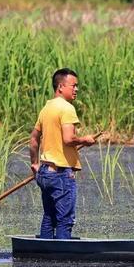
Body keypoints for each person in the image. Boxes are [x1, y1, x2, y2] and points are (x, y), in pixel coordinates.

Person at [29, 68, 97, 239]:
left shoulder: (46, 108)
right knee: (65, 220)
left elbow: (34, 139)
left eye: (77, 86)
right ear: (60, 87)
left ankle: (45, 255)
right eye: (73, 86)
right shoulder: (67, 108)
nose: (76, 89)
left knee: (49, 218)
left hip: (45, 172)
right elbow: (68, 139)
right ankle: (62, 261)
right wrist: (85, 140)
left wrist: (35, 163)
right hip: (61, 174)